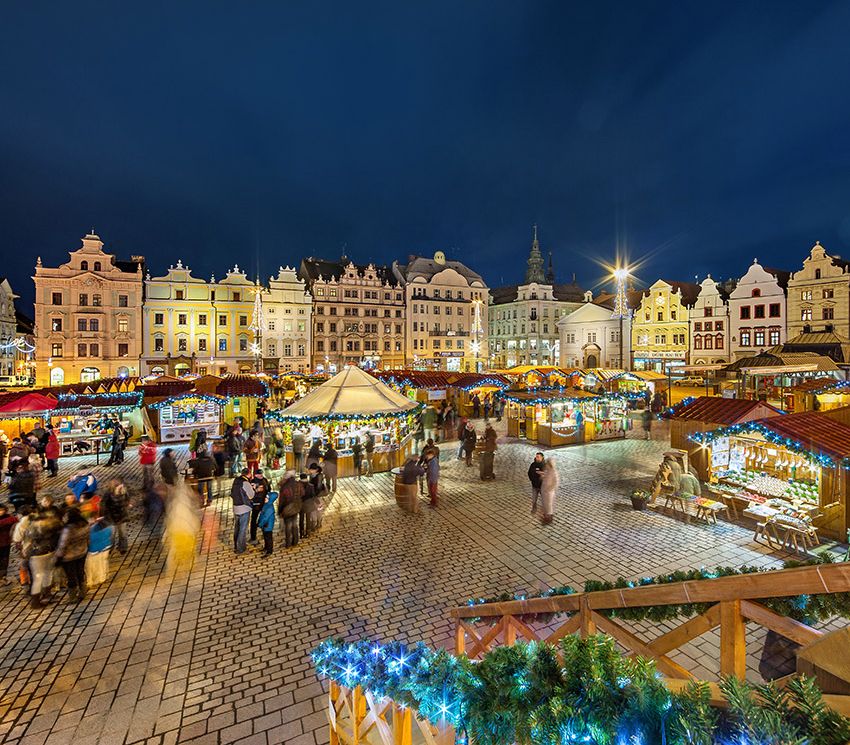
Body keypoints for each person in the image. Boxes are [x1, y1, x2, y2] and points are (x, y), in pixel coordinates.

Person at [26, 502, 62, 607]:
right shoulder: (43, 529)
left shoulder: (33, 528)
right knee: (39, 577)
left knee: (47, 574)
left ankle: (47, 595)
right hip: (40, 554)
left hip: (44, 553)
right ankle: (35, 601)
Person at [56, 507, 89, 602]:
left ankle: (72, 597)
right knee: (80, 572)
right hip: (82, 552)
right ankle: (83, 591)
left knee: (71, 576)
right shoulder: (85, 524)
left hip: (69, 556)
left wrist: (58, 557)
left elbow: (63, 545)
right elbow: (87, 538)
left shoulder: (68, 529)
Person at [102, 479, 130, 554]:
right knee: (111, 535)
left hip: (122, 516)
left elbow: (127, 500)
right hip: (112, 517)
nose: (121, 486)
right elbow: (103, 504)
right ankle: (110, 548)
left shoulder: (124, 492)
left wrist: (127, 504)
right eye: (118, 486)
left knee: (123, 533)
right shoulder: (108, 494)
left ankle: (123, 547)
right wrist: (104, 514)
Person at [230, 469, 254, 554]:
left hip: (236, 507)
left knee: (237, 528)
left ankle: (236, 545)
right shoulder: (245, 483)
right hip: (244, 508)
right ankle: (241, 549)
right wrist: (253, 488)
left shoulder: (236, 480)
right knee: (243, 529)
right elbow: (251, 496)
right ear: (249, 474)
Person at [86, 517, 114, 588]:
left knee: (92, 566)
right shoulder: (109, 528)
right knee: (103, 563)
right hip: (106, 547)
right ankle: (102, 577)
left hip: (93, 550)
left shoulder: (91, 530)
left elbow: (89, 541)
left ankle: (93, 580)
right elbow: (111, 538)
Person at [277, 471, 301, 548]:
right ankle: (295, 541)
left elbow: (282, 500)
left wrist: (280, 510)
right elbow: (302, 493)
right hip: (296, 506)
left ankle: (288, 543)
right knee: (294, 524)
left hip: (287, 508)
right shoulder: (297, 484)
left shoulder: (285, 487)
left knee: (288, 526)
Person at [249, 469, 271, 543]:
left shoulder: (264, 480)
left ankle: (264, 534)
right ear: (255, 475)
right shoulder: (252, 482)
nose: (261, 475)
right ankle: (253, 536)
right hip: (256, 504)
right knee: (254, 520)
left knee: (264, 519)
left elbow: (269, 489)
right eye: (259, 474)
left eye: (261, 474)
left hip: (263, 503)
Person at [0, 504, 18, 584]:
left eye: (2, 510)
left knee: (4, 560)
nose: (1, 512)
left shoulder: (8, 516)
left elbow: (15, 520)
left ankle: (3, 577)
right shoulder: (8, 518)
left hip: (6, 543)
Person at [257, 491, 277, 557]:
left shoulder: (269, 508)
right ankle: (266, 547)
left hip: (268, 526)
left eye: (266, 498)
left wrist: (260, 524)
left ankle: (269, 550)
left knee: (268, 538)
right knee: (265, 537)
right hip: (265, 525)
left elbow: (265, 518)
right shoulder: (266, 505)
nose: (265, 499)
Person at [540, 459, 559, 525]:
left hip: (549, 491)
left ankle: (549, 517)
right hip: (544, 490)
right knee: (545, 503)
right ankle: (546, 516)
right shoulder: (547, 470)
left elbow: (555, 482)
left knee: (549, 504)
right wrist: (542, 476)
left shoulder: (554, 472)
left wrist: (550, 488)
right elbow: (545, 477)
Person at [299, 473, 318, 538]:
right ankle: (308, 533)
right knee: (308, 519)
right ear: (306, 478)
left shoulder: (297, 486)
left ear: (300, 478)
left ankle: (301, 533)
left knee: (301, 519)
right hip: (308, 505)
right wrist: (318, 502)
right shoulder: (311, 486)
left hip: (300, 505)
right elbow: (313, 496)